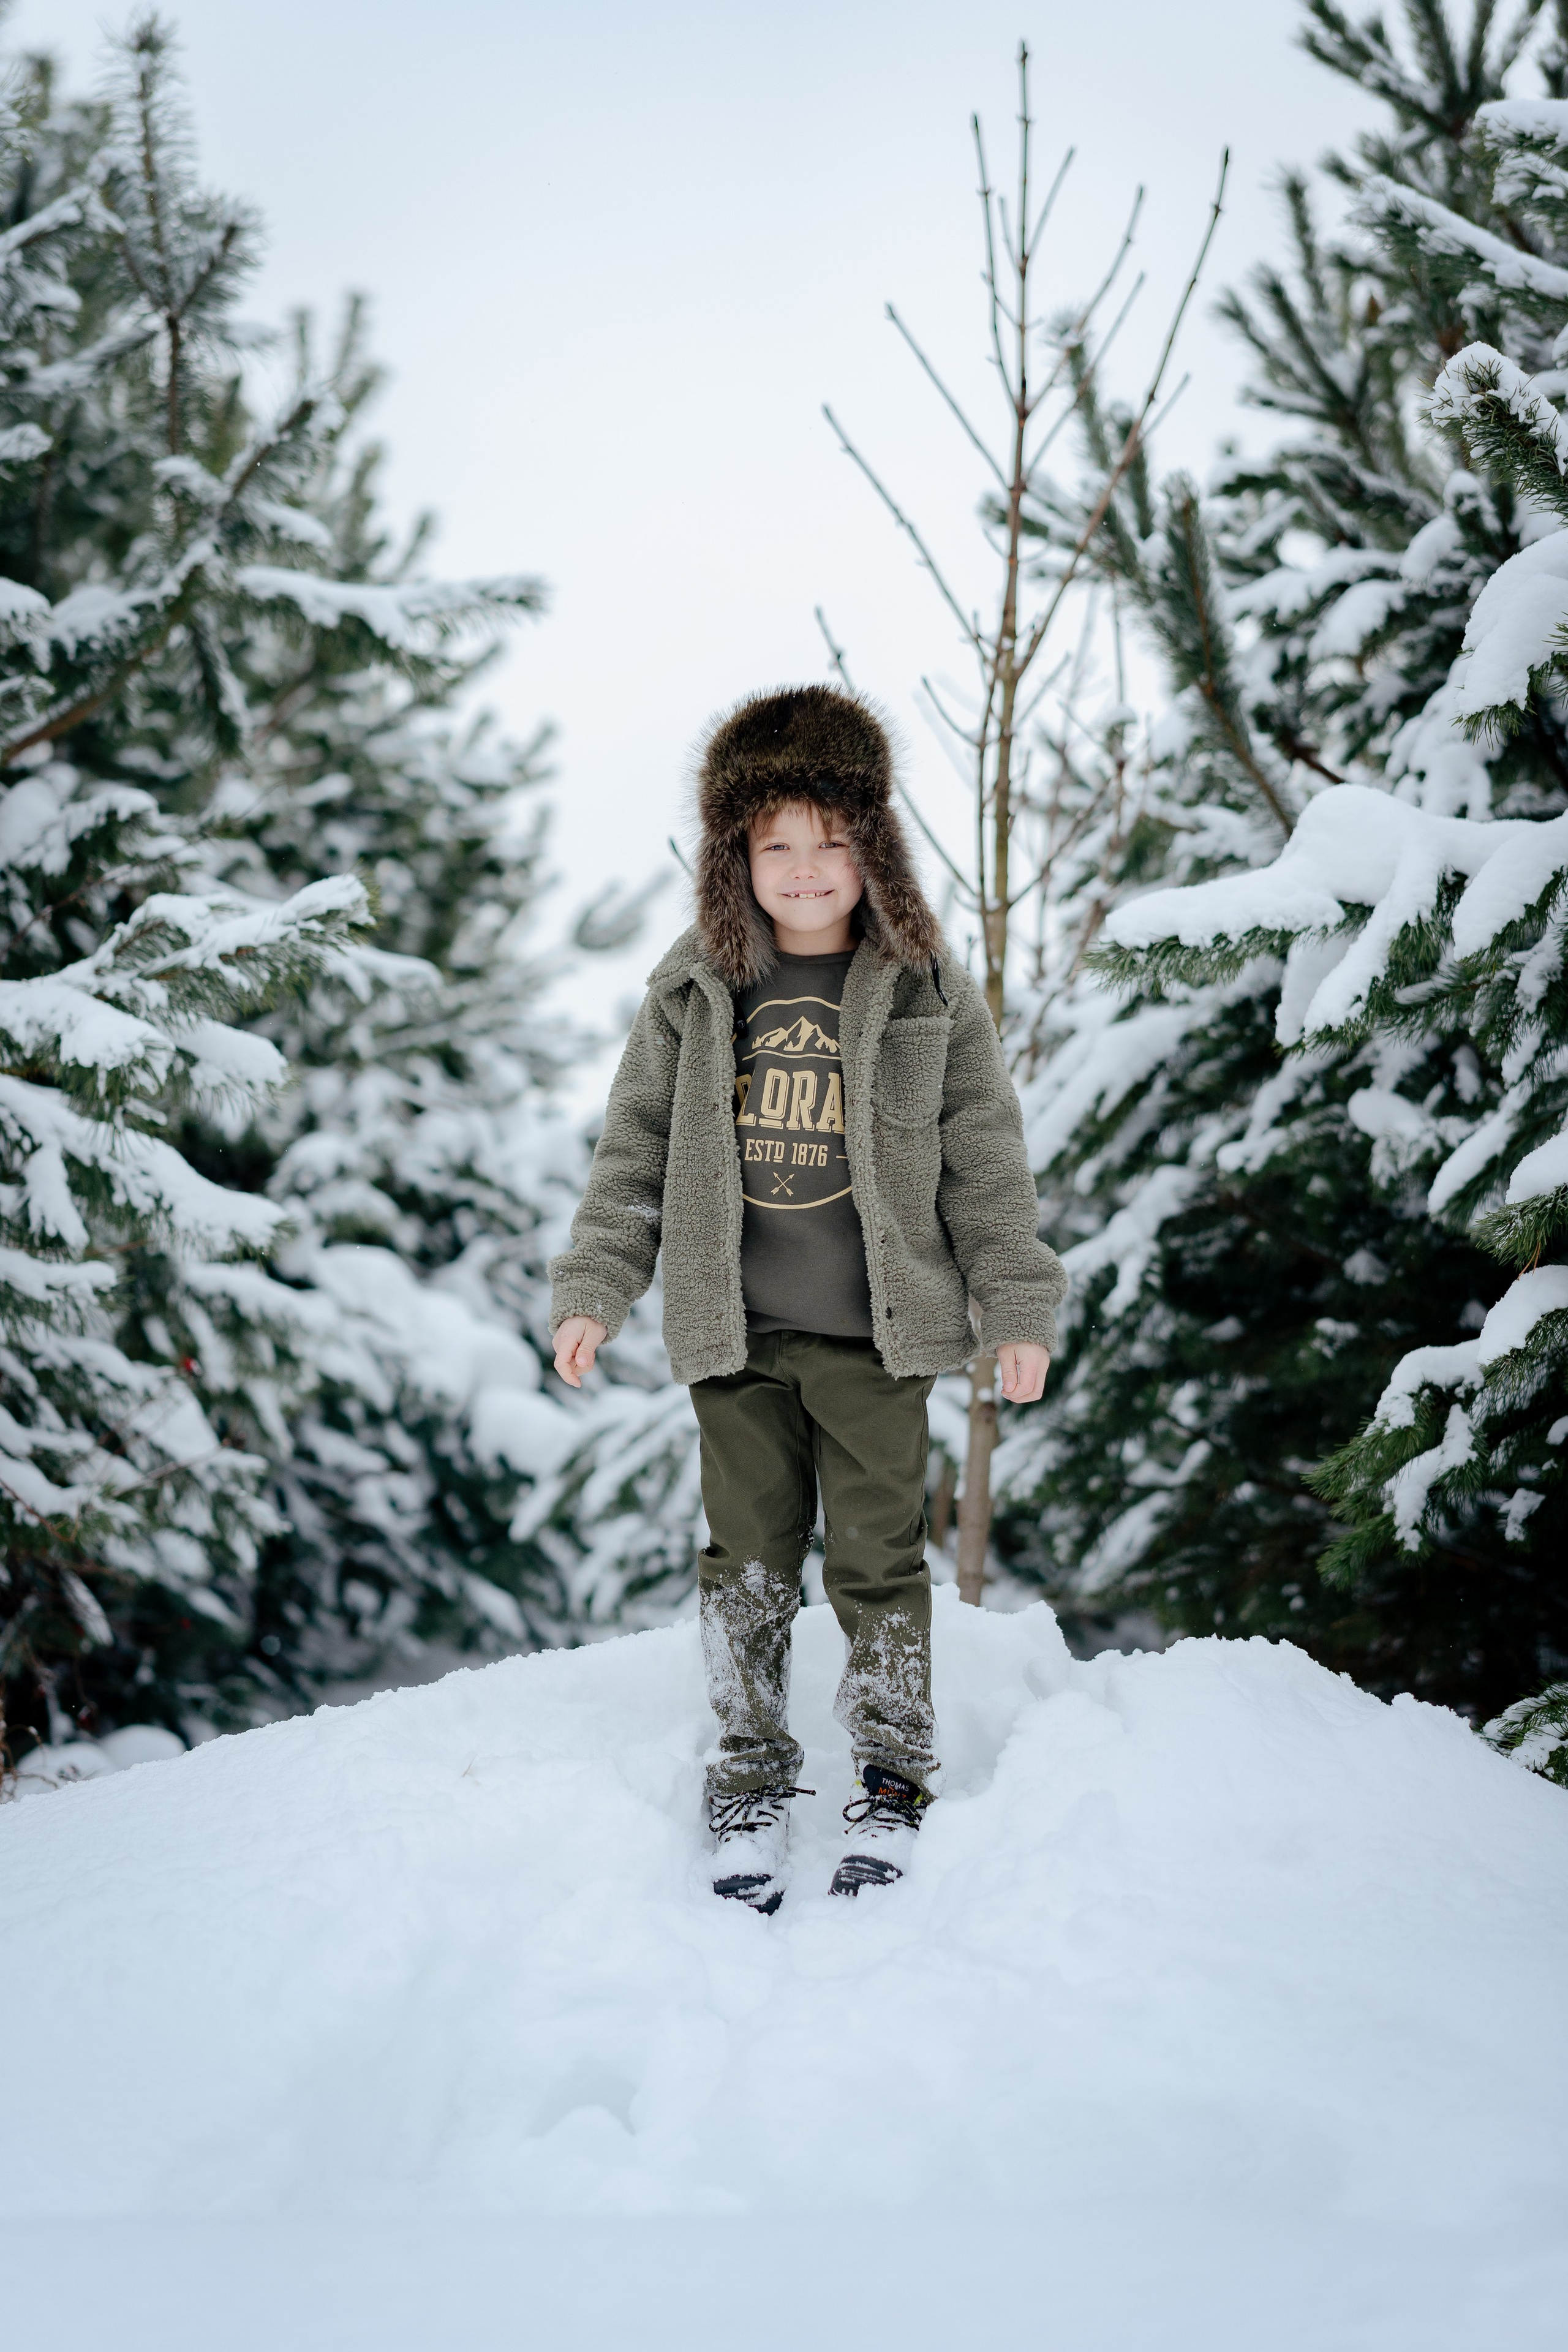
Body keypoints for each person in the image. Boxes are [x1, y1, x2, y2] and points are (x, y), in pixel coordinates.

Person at [549, 686, 1066, 1910]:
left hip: (876, 1347)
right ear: (733, 855)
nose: (801, 867)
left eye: (829, 840)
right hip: (733, 1342)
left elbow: (983, 1164)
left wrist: (1015, 1307)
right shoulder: (692, 993)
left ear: (871, 847)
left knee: (879, 1563)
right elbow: (629, 1156)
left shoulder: (925, 990)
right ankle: (745, 1768)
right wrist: (594, 1286)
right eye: (772, 843)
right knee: (745, 1563)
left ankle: (890, 1770)